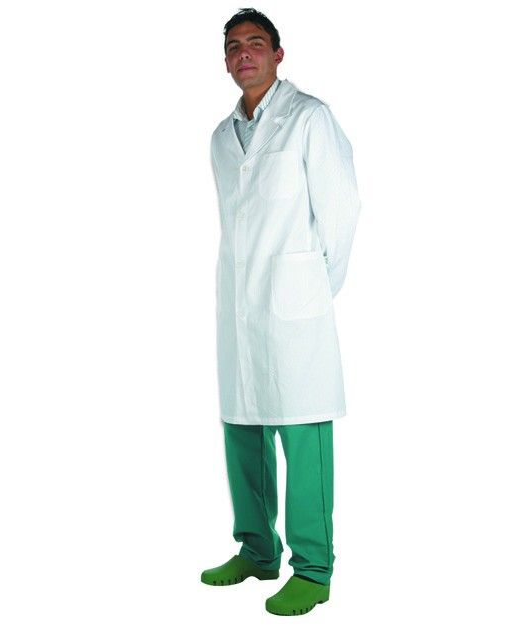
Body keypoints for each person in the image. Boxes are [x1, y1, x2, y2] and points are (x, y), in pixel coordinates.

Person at [201, 8, 360, 616]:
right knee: (242, 429)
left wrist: (312, 286)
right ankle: (257, 549)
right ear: (225, 61)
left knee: (302, 430)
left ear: (277, 54)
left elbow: (341, 213)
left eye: (255, 43)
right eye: (233, 47)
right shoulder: (221, 137)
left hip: (295, 305)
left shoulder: (309, 118)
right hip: (239, 304)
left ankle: (313, 568)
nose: (244, 54)